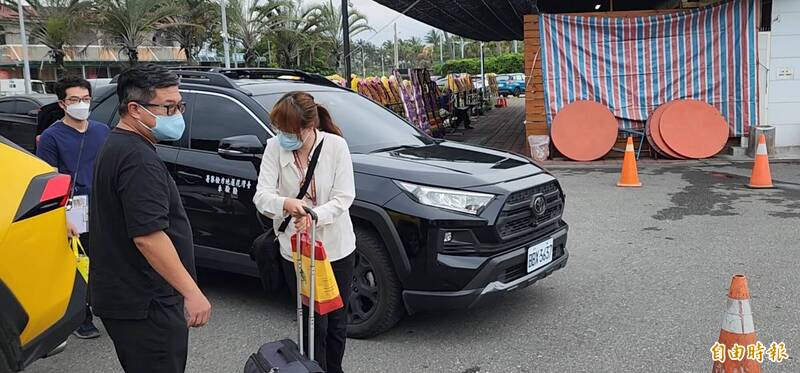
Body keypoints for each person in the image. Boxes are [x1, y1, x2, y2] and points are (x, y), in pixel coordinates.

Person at [89, 63, 210, 373]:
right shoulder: (137, 158)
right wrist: (191, 292)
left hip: (132, 298)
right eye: (168, 108)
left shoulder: (121, 145)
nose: (178, 115)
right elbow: (148, 236)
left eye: (179, 105)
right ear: (135, 109)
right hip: (145, 303)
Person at [253, 91, 356, 373]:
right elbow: (261, 196)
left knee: (336, 322)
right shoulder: (274, 147)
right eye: (279, 129)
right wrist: (285, 203)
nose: (282, 135)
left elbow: (344, 196)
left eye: (288, 130)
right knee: (311, 322)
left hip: (335, 249)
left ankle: (333, 369)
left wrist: (314, 215)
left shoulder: (335, 146)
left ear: (309, 127)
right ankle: (312, 369)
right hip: (295, 251)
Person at [35, 76, 109, 339]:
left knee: (103, 262)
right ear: (63, 104)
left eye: (86, 99)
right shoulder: (51, 137)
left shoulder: (102, 131)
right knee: (78, 264)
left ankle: (105, 307)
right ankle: (81, 316)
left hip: (102, 207)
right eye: (75, 100)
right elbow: (50, 179)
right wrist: (61, 216)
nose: (81, 104)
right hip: (72, 209)